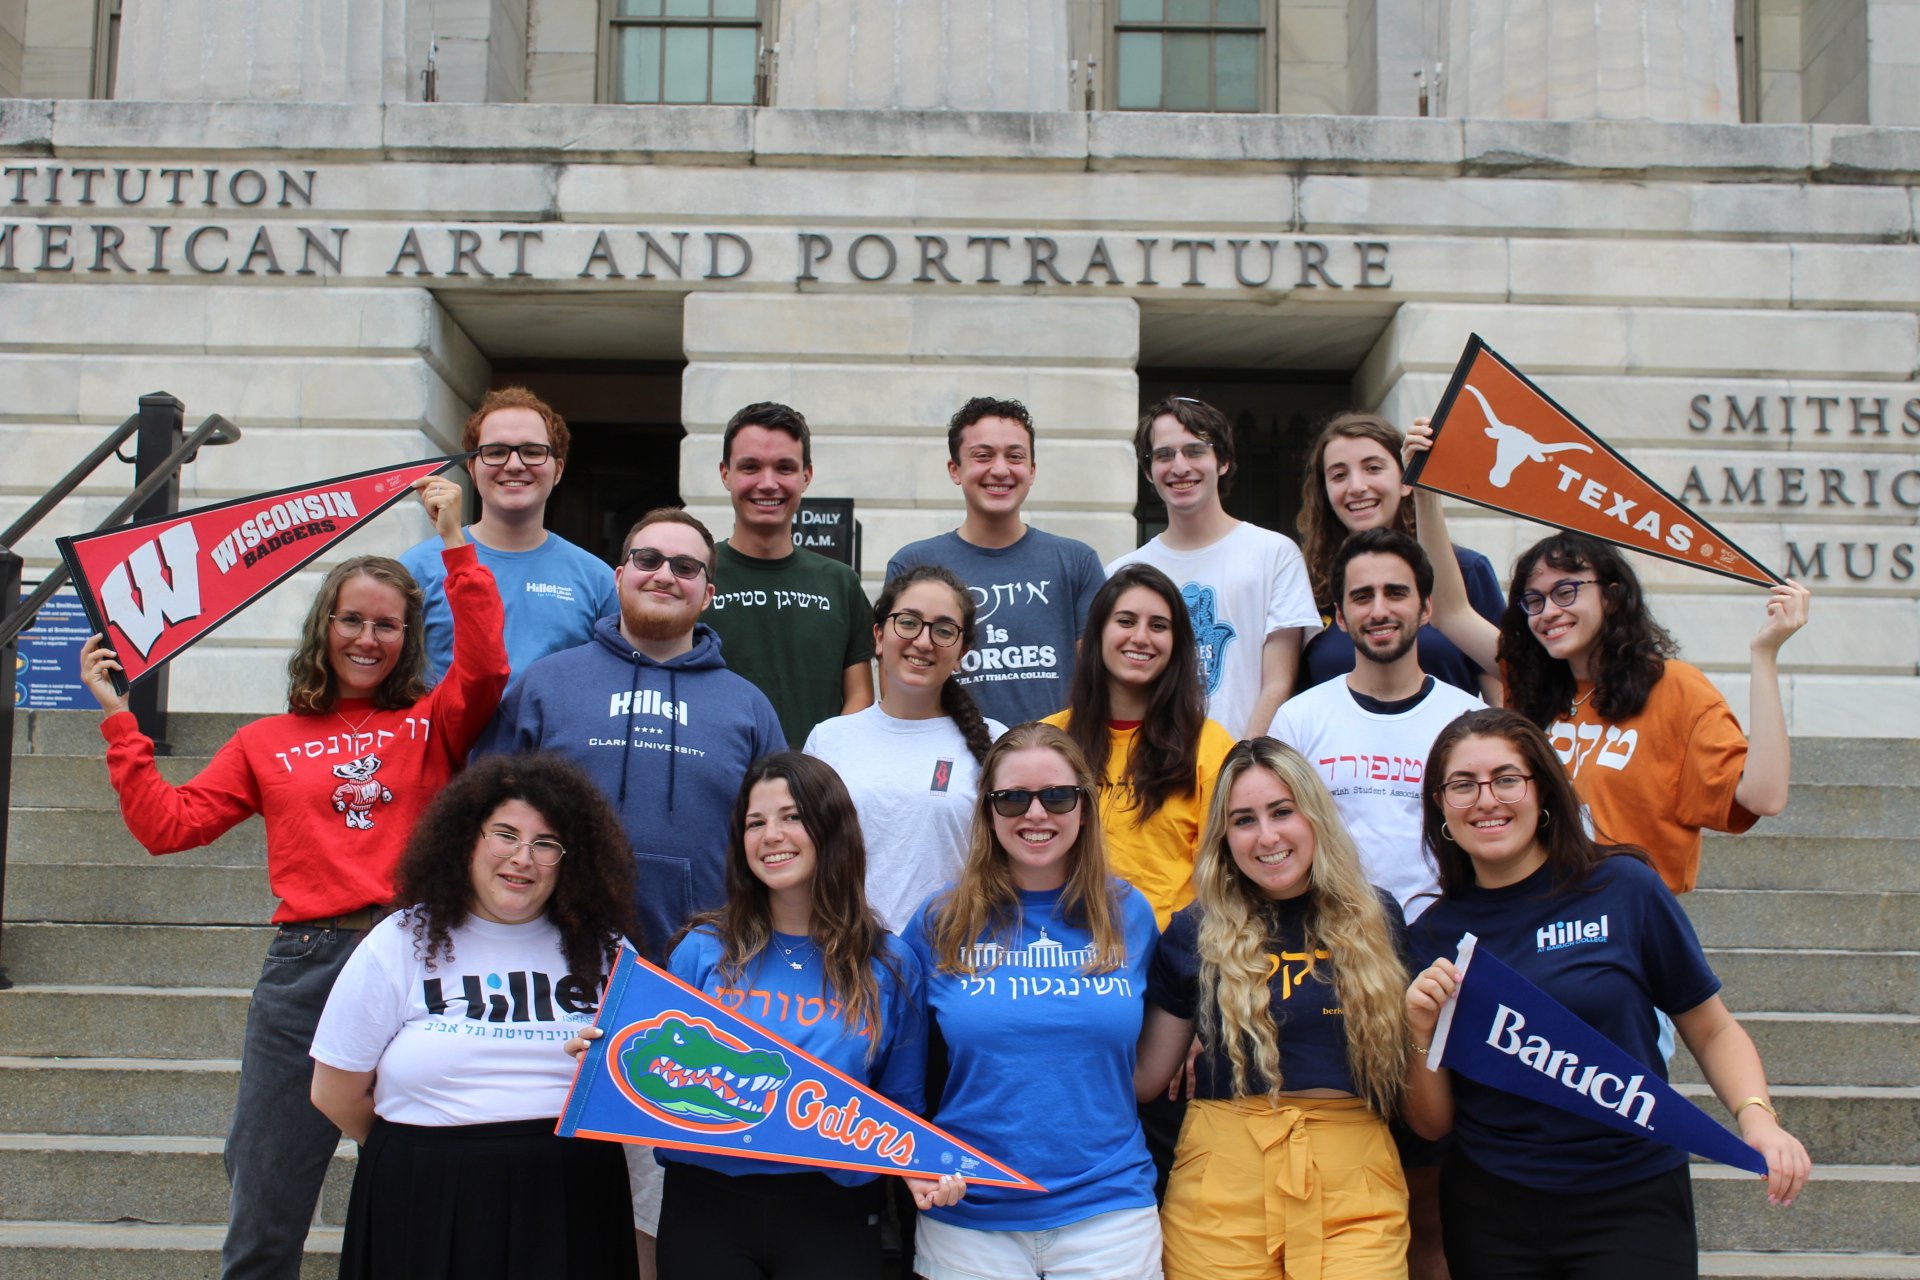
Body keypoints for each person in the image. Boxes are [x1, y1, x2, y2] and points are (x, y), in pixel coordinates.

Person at [77, 475, 507, 1280]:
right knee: (267, 1192)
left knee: (433, 1185)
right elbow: (167, 826)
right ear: (325, 626)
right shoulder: (264, 739)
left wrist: (456, 543)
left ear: (408, 635)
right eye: (352, 620)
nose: (368, 639)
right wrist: (117, 718)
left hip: (417, 961)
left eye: (388, 625)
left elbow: (485, 666)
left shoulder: (430, 722)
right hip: (307, 967)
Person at [473, 505, 784, 1267]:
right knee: (541, 1201)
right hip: (548, 978)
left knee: (655, 1211)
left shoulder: (747, 706)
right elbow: (481, 820)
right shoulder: (547, 685)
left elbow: (783, 848)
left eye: (685, 567)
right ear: (618, 576)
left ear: (708, 590)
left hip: (690, 992)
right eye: (648, 559)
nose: (664, 576)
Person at [1403, 708, 1811, 1277]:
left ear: (1542, 791)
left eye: (1506, 779)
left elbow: (1711, 1027)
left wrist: (1757, 1119)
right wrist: (1419, 1033)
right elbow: (1433, 1125)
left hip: (1632, 1196)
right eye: (1462, 785)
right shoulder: (1432, 934)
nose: (1486, 799)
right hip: (1494, 1210)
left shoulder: (1623, 888)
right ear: (1441, 808)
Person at [1404, 421, 1812, 894]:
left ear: (1613, 596)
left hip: (1628, 926)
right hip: (1540, 915)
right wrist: (1426, 495)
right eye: (1533, 601)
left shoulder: (1675, 688)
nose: (1548, 612)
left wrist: (1764, 655)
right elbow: (1453, 611)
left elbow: (1764, 795)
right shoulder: (1535, 685)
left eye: (1566, 591)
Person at [308, 754, 640, 1280]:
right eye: (505, 834)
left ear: (570, 859)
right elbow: (333, 1091)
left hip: (571, 1197)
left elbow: (641, 1086)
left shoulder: (608, 953)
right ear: (467, 838)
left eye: (546, 844)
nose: (522, 858)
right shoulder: (400, 941)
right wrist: (431, 1156)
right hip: (426, 1195)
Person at [645, 752, 962, 1279]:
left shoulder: (889, 964)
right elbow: (655, 1072)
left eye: (791, 816)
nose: (771, 834)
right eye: (755, 822)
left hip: (831, 1214)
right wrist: (606, 1058)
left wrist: (926, 1170)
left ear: (831, 827)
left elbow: (901, 1108)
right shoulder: (701, 952)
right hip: (705, 1207)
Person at [1136, 737, 1415, 1280]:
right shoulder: (1195, 929)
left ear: (1314, 816)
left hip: (1354, 1179)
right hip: (1221, 1182)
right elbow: (1146, 1078)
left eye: (1282, 811)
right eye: (1243, 820)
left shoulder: (1376, 917)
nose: (1267, 836)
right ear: (1224, 837)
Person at [902, 723, 1162, 1280]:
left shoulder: (1130, 915)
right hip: (968, 1210)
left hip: (1107, 1210)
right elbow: (896, 1063)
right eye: (1013, 798)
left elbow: (1159, 1035)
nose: (1036, 814)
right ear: (988, 813)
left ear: (1085, 808)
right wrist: (909, 1159)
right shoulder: (938, 922)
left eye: (1058, 797)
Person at [1271, 528, 1484, 920]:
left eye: (1396, 593)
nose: (1379, 610)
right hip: (1332, 942)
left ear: (1426, 609)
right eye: (1362, 596)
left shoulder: (1470, 721)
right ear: (1340, 615)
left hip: (1444, 941)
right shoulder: (1297, 721)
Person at [805, 564, 1007, 933]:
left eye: (944, 630)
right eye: (909, 622)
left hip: (953, 962)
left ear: (962, 651)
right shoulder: (829, 739)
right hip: (846, 957)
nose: (924, 641)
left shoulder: (996, 741)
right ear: (879, 637)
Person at [887, 396, 1106, 726]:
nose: (1000, 470)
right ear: (955, 469)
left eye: (1015, 457)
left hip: (1053, 764)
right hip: (948, 765)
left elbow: (1098, 681)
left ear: (1032, 471)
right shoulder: (913, 564)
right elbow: (897, 686)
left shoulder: (1077, 562)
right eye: (983, 456)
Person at [1109, 396, 1318, 738]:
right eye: (1163, 455)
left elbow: (1279, 683)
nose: (1179, 467)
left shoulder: (1274, 553)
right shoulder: (1123, 572)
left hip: (1242, 768)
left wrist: (1241, 767)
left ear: (1222, 461)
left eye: (1194, 451)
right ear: (1149, 472)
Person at [1045, 563, 1235, 932]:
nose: (1141, 637)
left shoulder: (1210, 745)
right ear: (1098, 632)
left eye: (1159, 626)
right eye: (1126, 621)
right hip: (1062, 948)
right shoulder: (1049, 740)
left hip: (1170, 954)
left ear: (1177, 644)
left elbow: (1220, 873)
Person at [399, 385, 616, 687]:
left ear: (558, 470)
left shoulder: (597, 580)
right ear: (473, 468)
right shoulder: (418, 567)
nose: (514, 465)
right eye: (496, 452)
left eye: (532, 452)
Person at [1294, 411, 1503, 702]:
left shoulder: (1466, 570)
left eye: (1373, 468)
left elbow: (1504, 695)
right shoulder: (1306, 583)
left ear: (1406, 480)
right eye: (1339, 475)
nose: (1356, 487)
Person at [702, 401, 876, 746]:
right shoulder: (693, 576)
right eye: (750, 467)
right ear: (725, 474)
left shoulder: (839, 582)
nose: (768, 484)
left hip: (814, 786)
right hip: (715, 778)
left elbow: (860, 699)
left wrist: (819, 769)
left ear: (806, 476)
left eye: (784, 467)